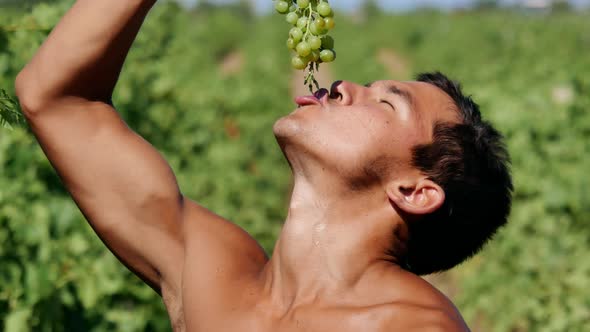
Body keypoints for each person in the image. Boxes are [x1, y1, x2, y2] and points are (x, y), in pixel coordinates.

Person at [15, 0, 512, 331]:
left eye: (387, 104)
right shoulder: (215, 274)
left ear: (415, 191)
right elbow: (56, 100)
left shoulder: (414, 326)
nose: (343, 87)